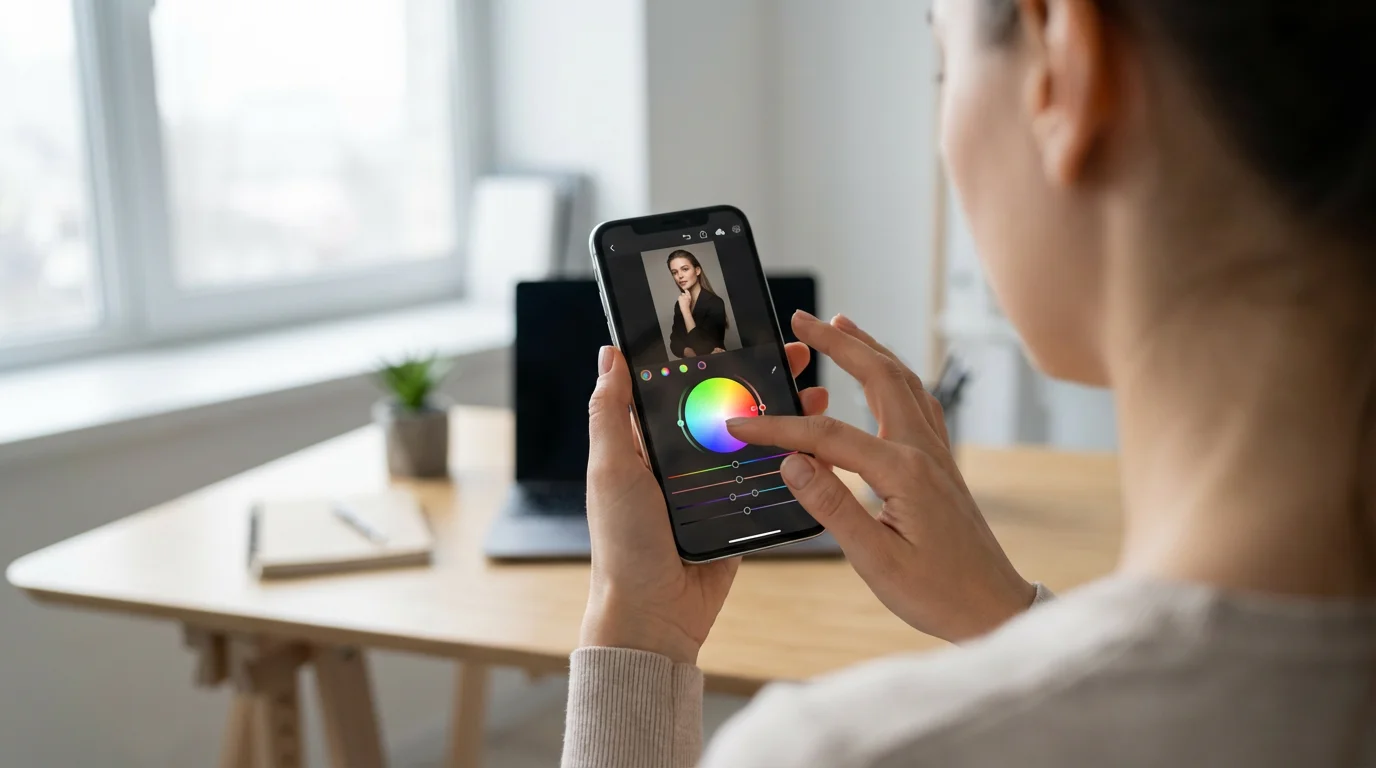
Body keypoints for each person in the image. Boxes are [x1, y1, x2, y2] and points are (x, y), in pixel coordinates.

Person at [567, 0, 1376, 765]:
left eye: (942, 64)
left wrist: (640, 626)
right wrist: (1006, 616)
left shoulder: (844, 752)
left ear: (1063, 63)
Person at [666, 250, 729, 358]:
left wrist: (686, 312)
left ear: (697, 270)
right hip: (693, 367)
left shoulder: (715, 303)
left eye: (685, 269)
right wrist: (691, 353)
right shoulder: (680, 303)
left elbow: (701, 347)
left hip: (717, 365)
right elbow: (674, 343)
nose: (679, 276)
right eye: (674, 272)